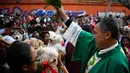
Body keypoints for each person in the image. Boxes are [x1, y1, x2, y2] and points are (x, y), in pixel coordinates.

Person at [56, 6, 129, 73]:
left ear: (107, 35)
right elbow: (79, 33)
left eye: (95, 33)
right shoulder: (101, 44)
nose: (93, 36)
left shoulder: (117, 63)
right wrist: (63, 15)